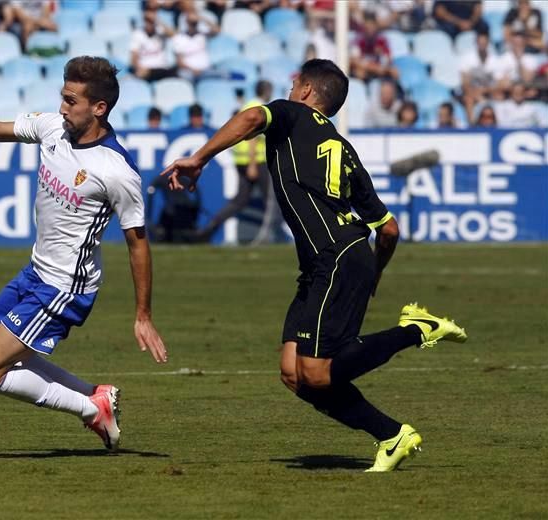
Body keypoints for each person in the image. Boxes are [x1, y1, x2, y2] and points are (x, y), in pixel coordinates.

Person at [160, 59, 468, 472]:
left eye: (295, 83)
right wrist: (373, 273)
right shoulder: (344, 150)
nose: (289, 88)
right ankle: (393, 435)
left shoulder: (290, 115)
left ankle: (416, 330)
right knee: (294, 374)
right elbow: (389, 229)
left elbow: (253, 115)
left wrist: (199, 158)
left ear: (307, 92)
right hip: (332, 261)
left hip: (335, 256)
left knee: (318, 374)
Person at [0, 56, 168, 451]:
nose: (62, 107)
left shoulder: (116, 171)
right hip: (36, 270)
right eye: (63, 97)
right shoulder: (53, 128)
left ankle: (91, 410)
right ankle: (96, 396)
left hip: (65, 287)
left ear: (99, 108)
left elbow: (138, 243)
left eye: (72, 101)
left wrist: (143, 315)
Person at [195, 80, 272, 242]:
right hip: (255, 161)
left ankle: (210, 227)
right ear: (266, 91)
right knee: (271, 201)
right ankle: (275, 236)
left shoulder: (247, 105)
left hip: (241, 159)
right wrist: (252, 164)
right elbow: (253, 138)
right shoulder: (259, 108)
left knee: (240, 201)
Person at [130, 8, 177, 81]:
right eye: (147, 21)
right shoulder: (138, 34)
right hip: (146, 69)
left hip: (162, 68)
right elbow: (134, 58)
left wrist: (158, 20)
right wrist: (139, 68)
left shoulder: (160, 31)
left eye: (151, 21)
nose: (149, 23)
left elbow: (174, 35)